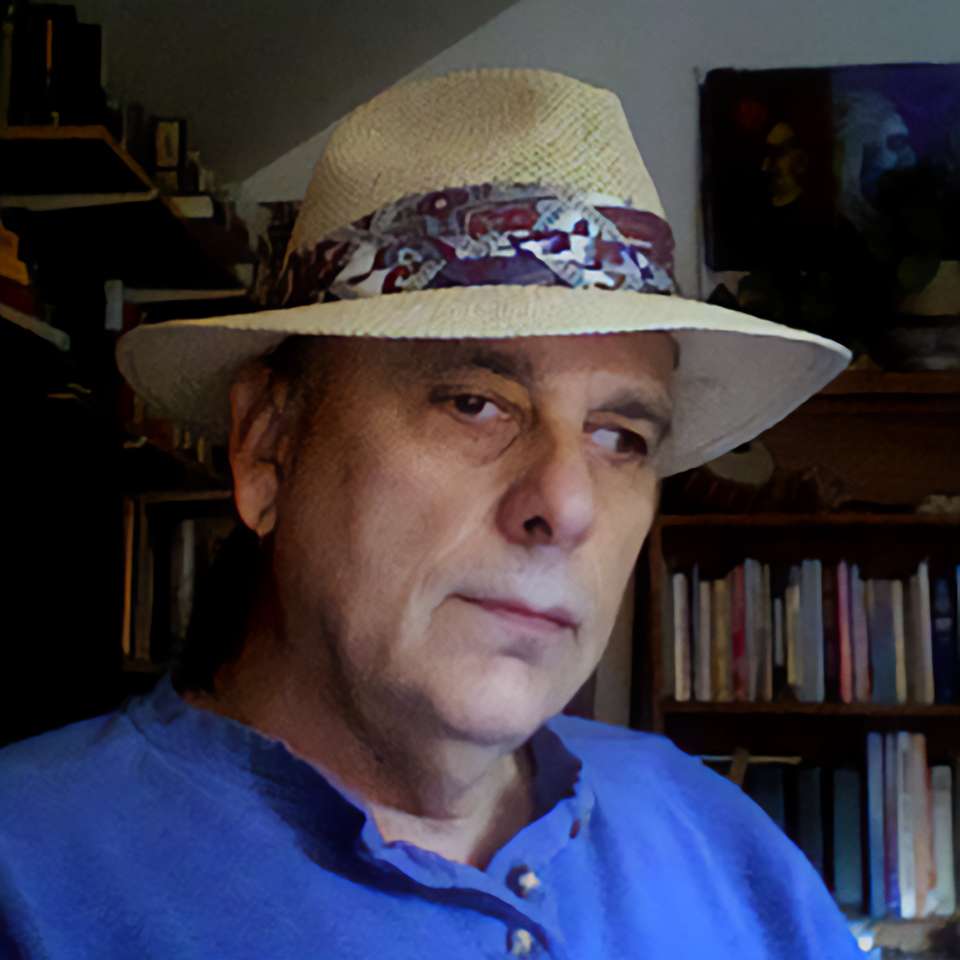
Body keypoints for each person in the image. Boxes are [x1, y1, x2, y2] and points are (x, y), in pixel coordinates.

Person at [0, 68, 860, 959]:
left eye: (620, 438)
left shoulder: (719, 835)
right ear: (267, 446)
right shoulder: (29, 878)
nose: (567, 506)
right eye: (473, 403)